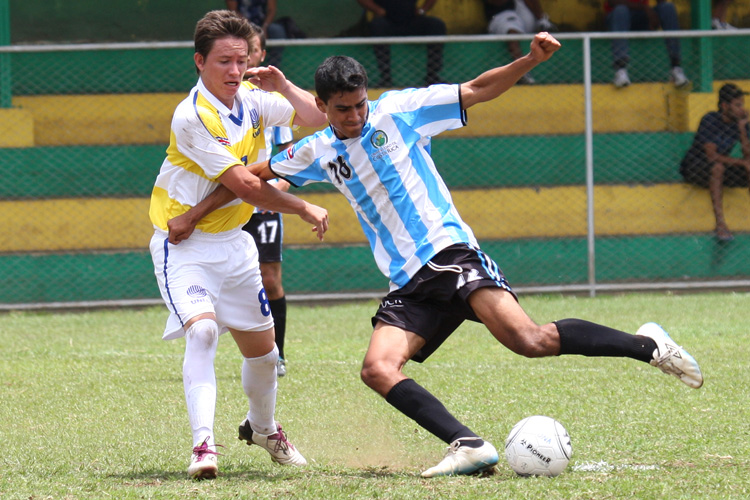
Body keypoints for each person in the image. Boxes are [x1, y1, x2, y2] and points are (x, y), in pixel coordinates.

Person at [170, 31, 703, 478]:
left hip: (449, 254)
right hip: (408, 281)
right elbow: (248, 177)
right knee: (378, 368)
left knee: (530, 341)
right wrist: (193, 215)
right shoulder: (317, 148)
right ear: (323, 106)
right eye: (341, 110)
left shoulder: (400, 109)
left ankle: (647, 346)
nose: (354, 116)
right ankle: (469, 444)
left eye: (359, 105)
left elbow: (476, 89)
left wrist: (528, 60)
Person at [148, 9, 329, 480]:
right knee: (203, 332)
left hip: (235, 245)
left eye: (242, 60)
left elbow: (317, 115)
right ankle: (203, 446)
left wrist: (284, 86)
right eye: (224, 62)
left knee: (265, 356)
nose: (234, 71)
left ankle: (265, 430)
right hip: (183, 246)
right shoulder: (193, 116)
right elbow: (247, 186)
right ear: (199, 62)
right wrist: (304, 207)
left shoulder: (251, 98)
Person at [243, 23, 294, 377]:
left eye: (253, 50)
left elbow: (289, 156)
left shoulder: (273, 104)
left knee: (269, 278)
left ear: (262, 55)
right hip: (228, 203)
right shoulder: (217, 100)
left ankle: (277, 354)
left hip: (262, 205)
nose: (248, 58)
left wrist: (276, 189)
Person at [680, 83, 750, 242]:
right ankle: (720, 225)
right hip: (695, 167)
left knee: (734, 167)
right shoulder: (711, 119)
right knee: (718, 167)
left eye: (743, 105)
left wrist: (742, 128)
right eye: (737, 105)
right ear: (725, 106)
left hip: (720, 168)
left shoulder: (739, 123)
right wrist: (743, 163)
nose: (742, 109)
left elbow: (748, 155)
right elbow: (712, 156)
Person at [356, 0, 447, 87]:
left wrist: (422, 10)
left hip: (411, 19)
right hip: (386, 19)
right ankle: (385, 78)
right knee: (376, 26)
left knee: (436, 25)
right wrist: (378, 10)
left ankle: (432, 76)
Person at [604, 0, 689, 89]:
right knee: (621, 10)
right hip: (617, 18)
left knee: (667, 7)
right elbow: (612, 2)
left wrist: (655, 16)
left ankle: (676, 68)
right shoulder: (642, 8)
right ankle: (620, 71)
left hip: (642, 16)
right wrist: (645, 8)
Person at [483, 0, 556, 85]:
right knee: (512, 31)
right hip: (501, 17)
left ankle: (543, 21)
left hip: (522, 16)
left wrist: (541, 19)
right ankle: (522, 72)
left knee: (545, 29)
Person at [226, 0, 286, 67]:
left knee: (277, 31)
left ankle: (272, 67)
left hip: (263, 23)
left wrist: (265, 27)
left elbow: (271, 10)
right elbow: (233, 10)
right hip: (241, 23)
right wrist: (246, 26)